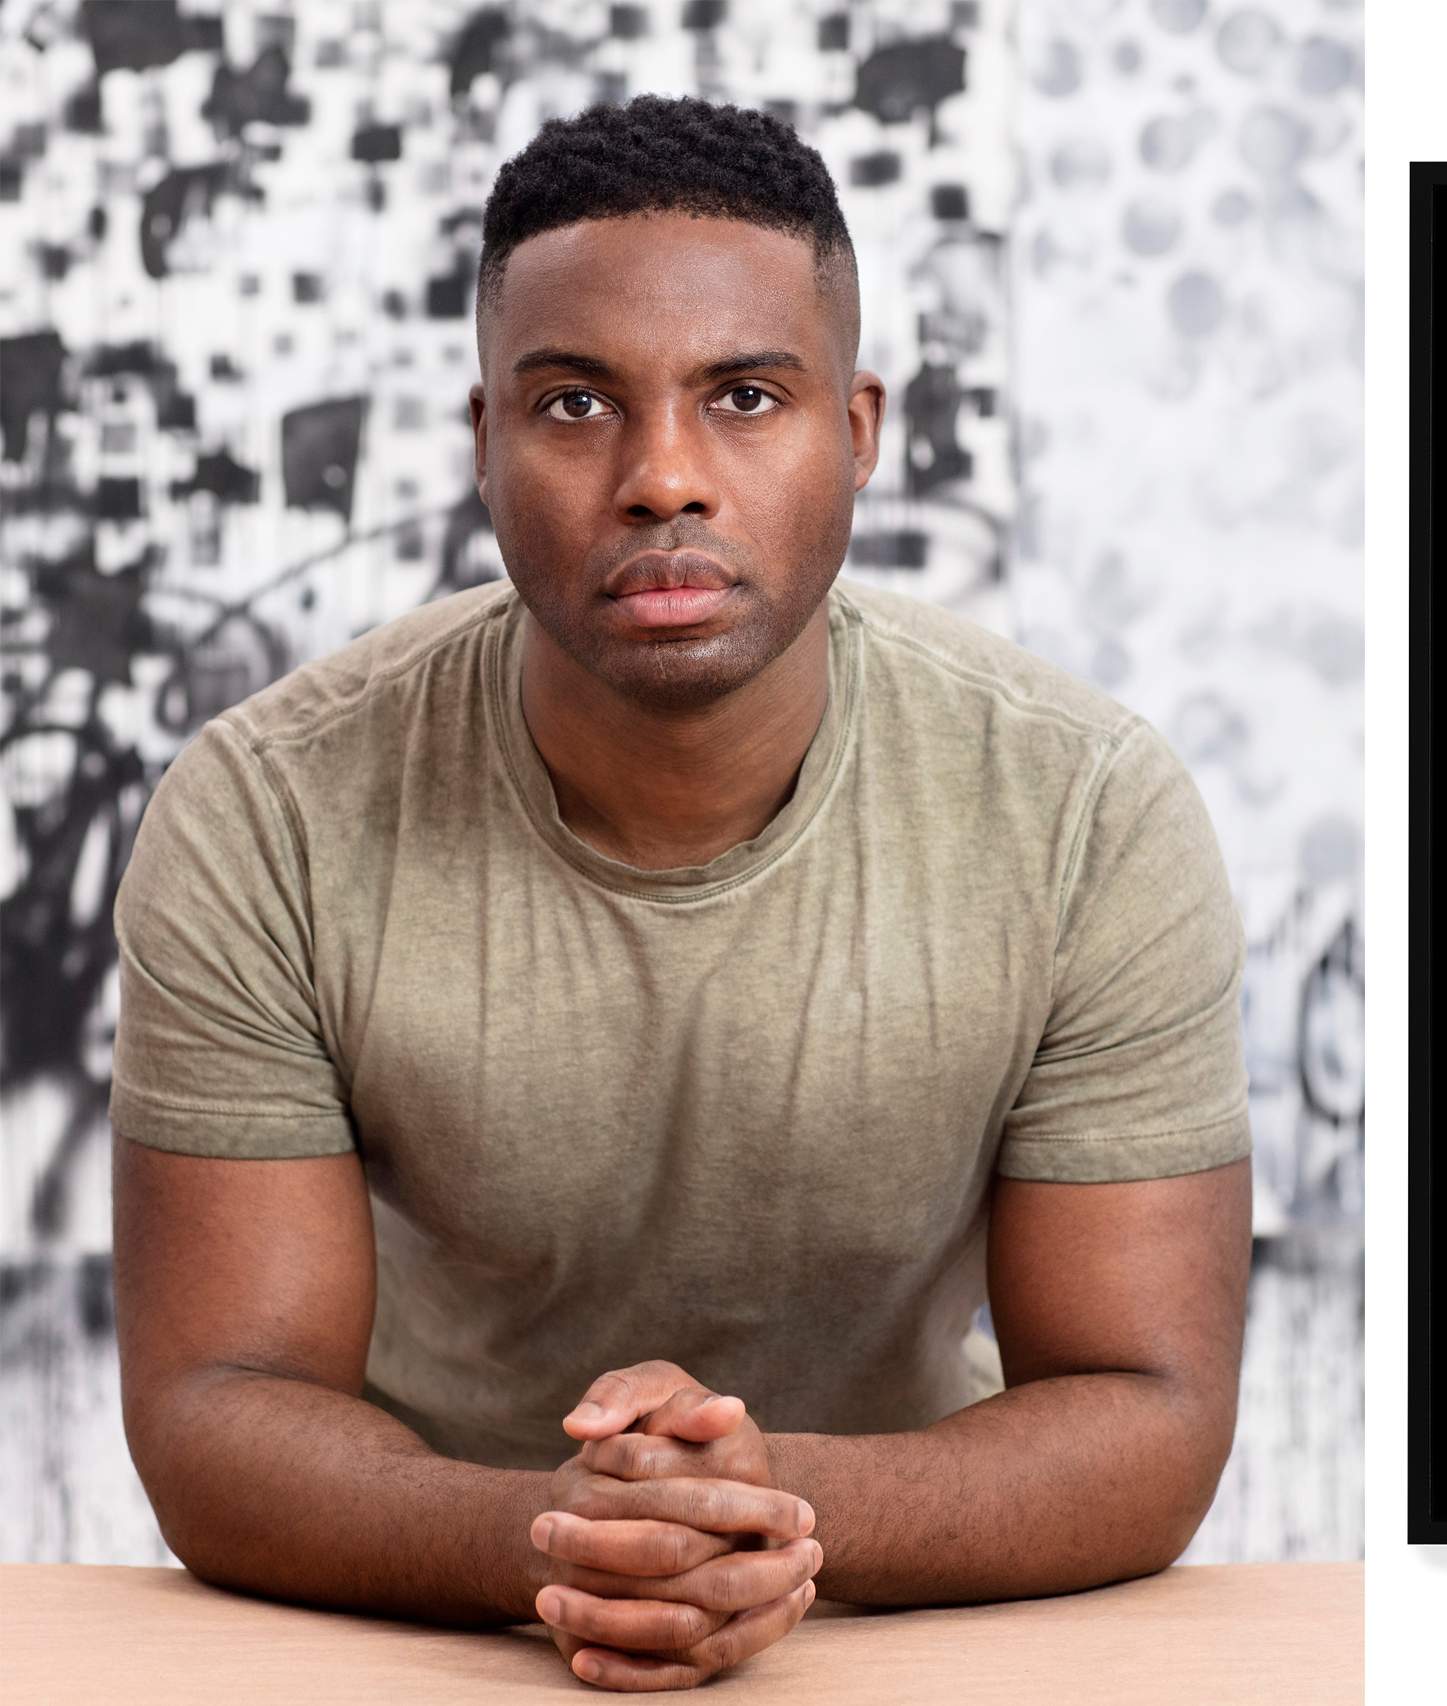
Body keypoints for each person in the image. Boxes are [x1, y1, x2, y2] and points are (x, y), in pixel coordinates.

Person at [109, 98, 1251, 1692]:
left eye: (744, 396)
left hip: (905, 1637)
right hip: (430, 1636)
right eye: (575, 402)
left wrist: (752, 1509)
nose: (662, 477)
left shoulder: (1083, 810)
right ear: (484, 440)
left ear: (858, 429)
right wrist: (548, 1539)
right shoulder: (266, 813)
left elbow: (1150, 1409)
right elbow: (216, 1400)